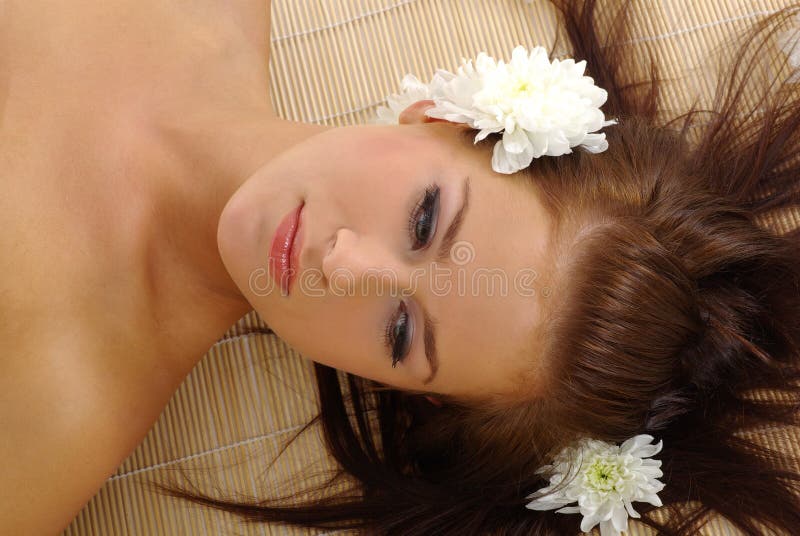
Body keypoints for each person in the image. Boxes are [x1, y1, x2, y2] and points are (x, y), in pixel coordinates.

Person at [2, 1, 799, 536]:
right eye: (423, 219)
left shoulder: (44, 423)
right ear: (446, 118)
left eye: (399, 331)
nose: (344, 265)